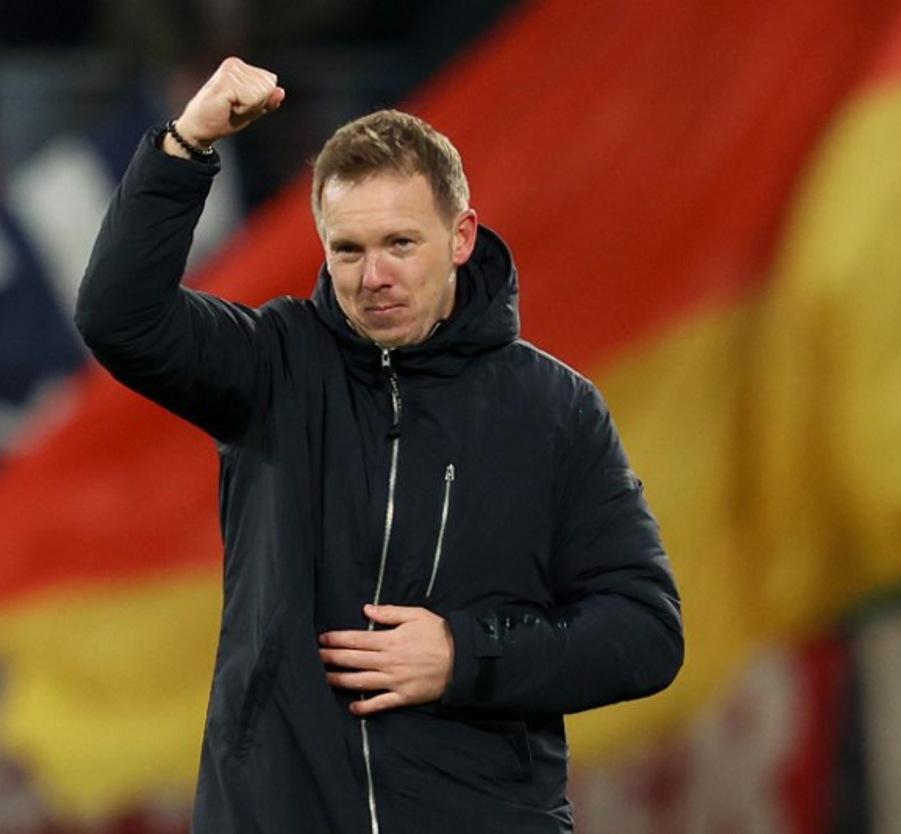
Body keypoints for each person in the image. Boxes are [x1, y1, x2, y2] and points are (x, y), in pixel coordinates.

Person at [76, 56, 682, 834]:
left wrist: (465, 655)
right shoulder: (273, 366)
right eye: (349, 250)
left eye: (401, 243)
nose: (374, 278)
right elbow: (118, 318)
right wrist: (187, 143)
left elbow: (644, 632)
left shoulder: (554, 410)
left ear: (461, 236)